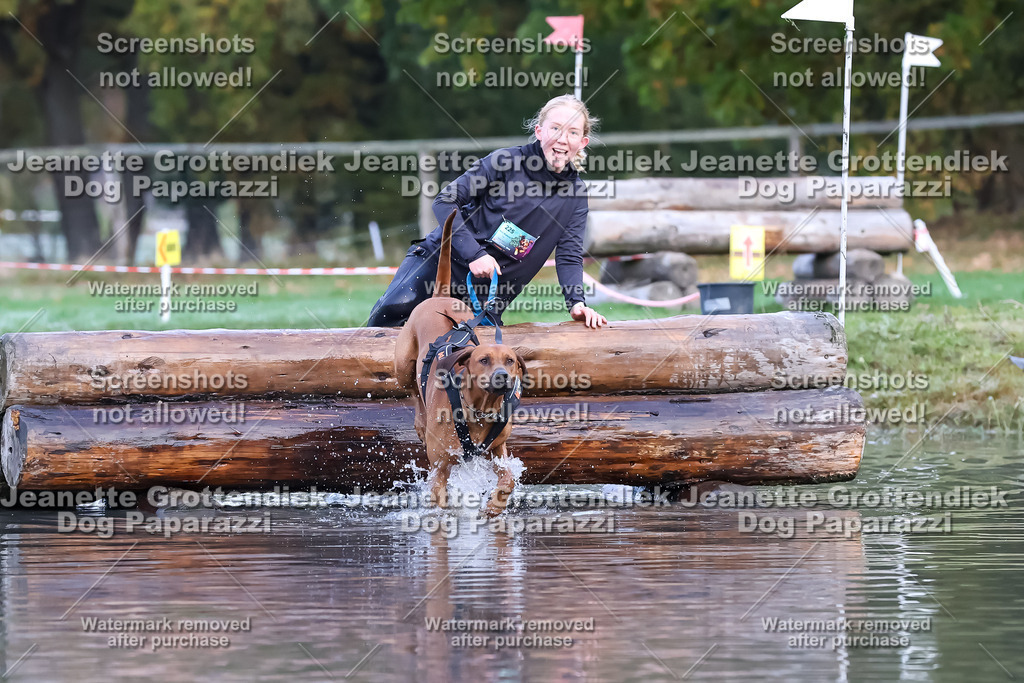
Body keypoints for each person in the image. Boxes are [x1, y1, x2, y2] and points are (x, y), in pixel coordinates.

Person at [366, 94, 608, 330]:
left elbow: (569, 256)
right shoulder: (506, 161)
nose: (563, 139)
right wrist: (475, 254)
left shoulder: (575, 196)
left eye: (573, 132)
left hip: (487, 296)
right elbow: (444, 201)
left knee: (469, 362)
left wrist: (576, 303)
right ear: (539, 132)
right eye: (555, 128)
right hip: (438, 263)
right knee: (388, 323)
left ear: (582, 143)